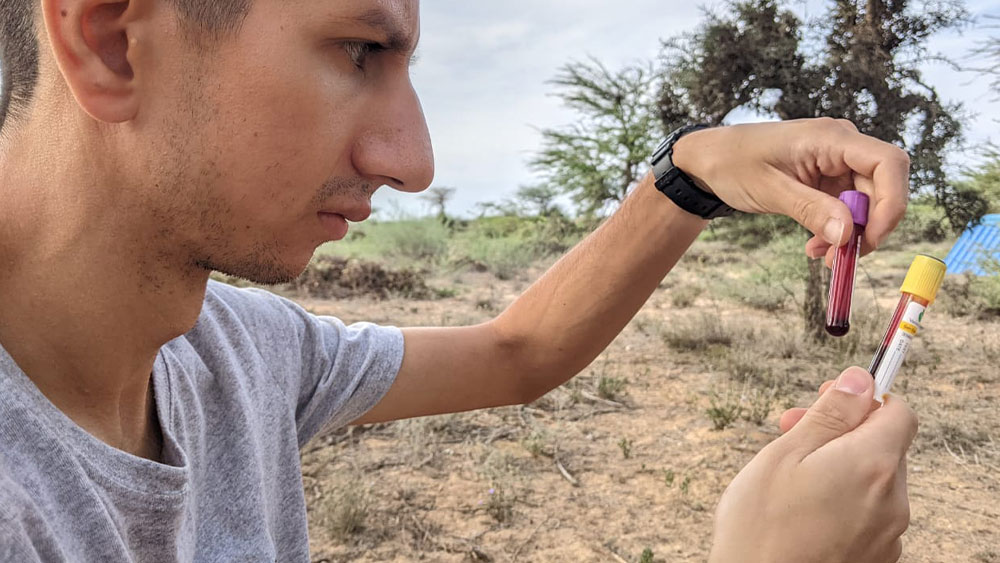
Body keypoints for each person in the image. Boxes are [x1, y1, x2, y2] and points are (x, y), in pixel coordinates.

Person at [0, 0, 916, 561]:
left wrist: (691, 171)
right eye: (361, 50)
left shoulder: (234, 352)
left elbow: (516, 351)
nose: (415, 161)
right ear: (113, 39)